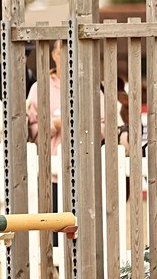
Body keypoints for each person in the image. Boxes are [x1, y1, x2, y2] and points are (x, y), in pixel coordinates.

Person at [25, 41, 105, 213]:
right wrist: (54, 125)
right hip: (50, 173)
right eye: (63, 53)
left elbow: (104, 127)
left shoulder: (91, 88)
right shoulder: (39, 88)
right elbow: (31, 131)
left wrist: (83, 127)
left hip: (84, 172)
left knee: (83, 229)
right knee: (53, 231)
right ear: (54, 56)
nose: (68, 58)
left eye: (72, 53)